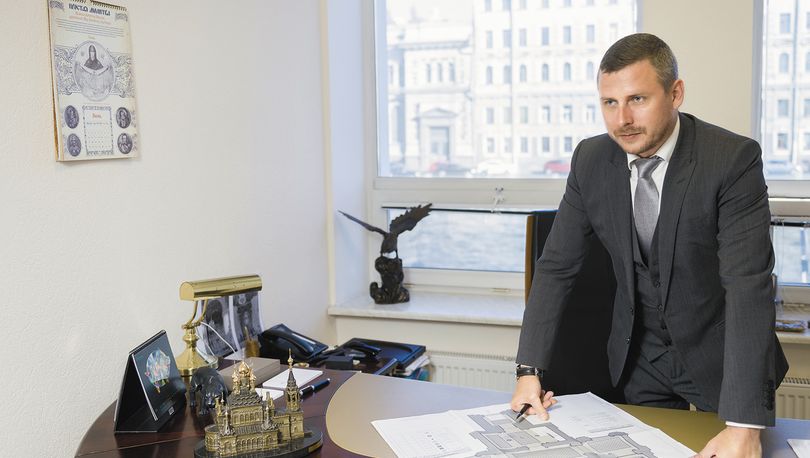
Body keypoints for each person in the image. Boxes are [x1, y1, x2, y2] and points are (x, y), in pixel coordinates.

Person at [512, 33, 788, 457]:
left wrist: (745, 425)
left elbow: (748, 286)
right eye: (609, 102)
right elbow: (556, 268)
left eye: (637, 99)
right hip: (640, 360)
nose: (622, 119)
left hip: (722, 358)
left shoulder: (731, 159)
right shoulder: (590, 159)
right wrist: (528, 371)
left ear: (675, 93)